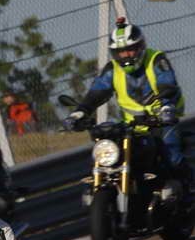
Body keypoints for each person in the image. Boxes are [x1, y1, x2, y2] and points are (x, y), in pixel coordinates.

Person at [63, 17, 190, 186]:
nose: (126, 55)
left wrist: (166, 107)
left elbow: (167, 83)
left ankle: (189, 187)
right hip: (130, 127)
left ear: (140, 47)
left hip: (161, 121)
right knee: (107, 154)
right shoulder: (112, 69)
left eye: (130, 50)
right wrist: (79, 113)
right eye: (121, 52)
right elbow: (95, 94)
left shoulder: (156, 60)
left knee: (171, 155)